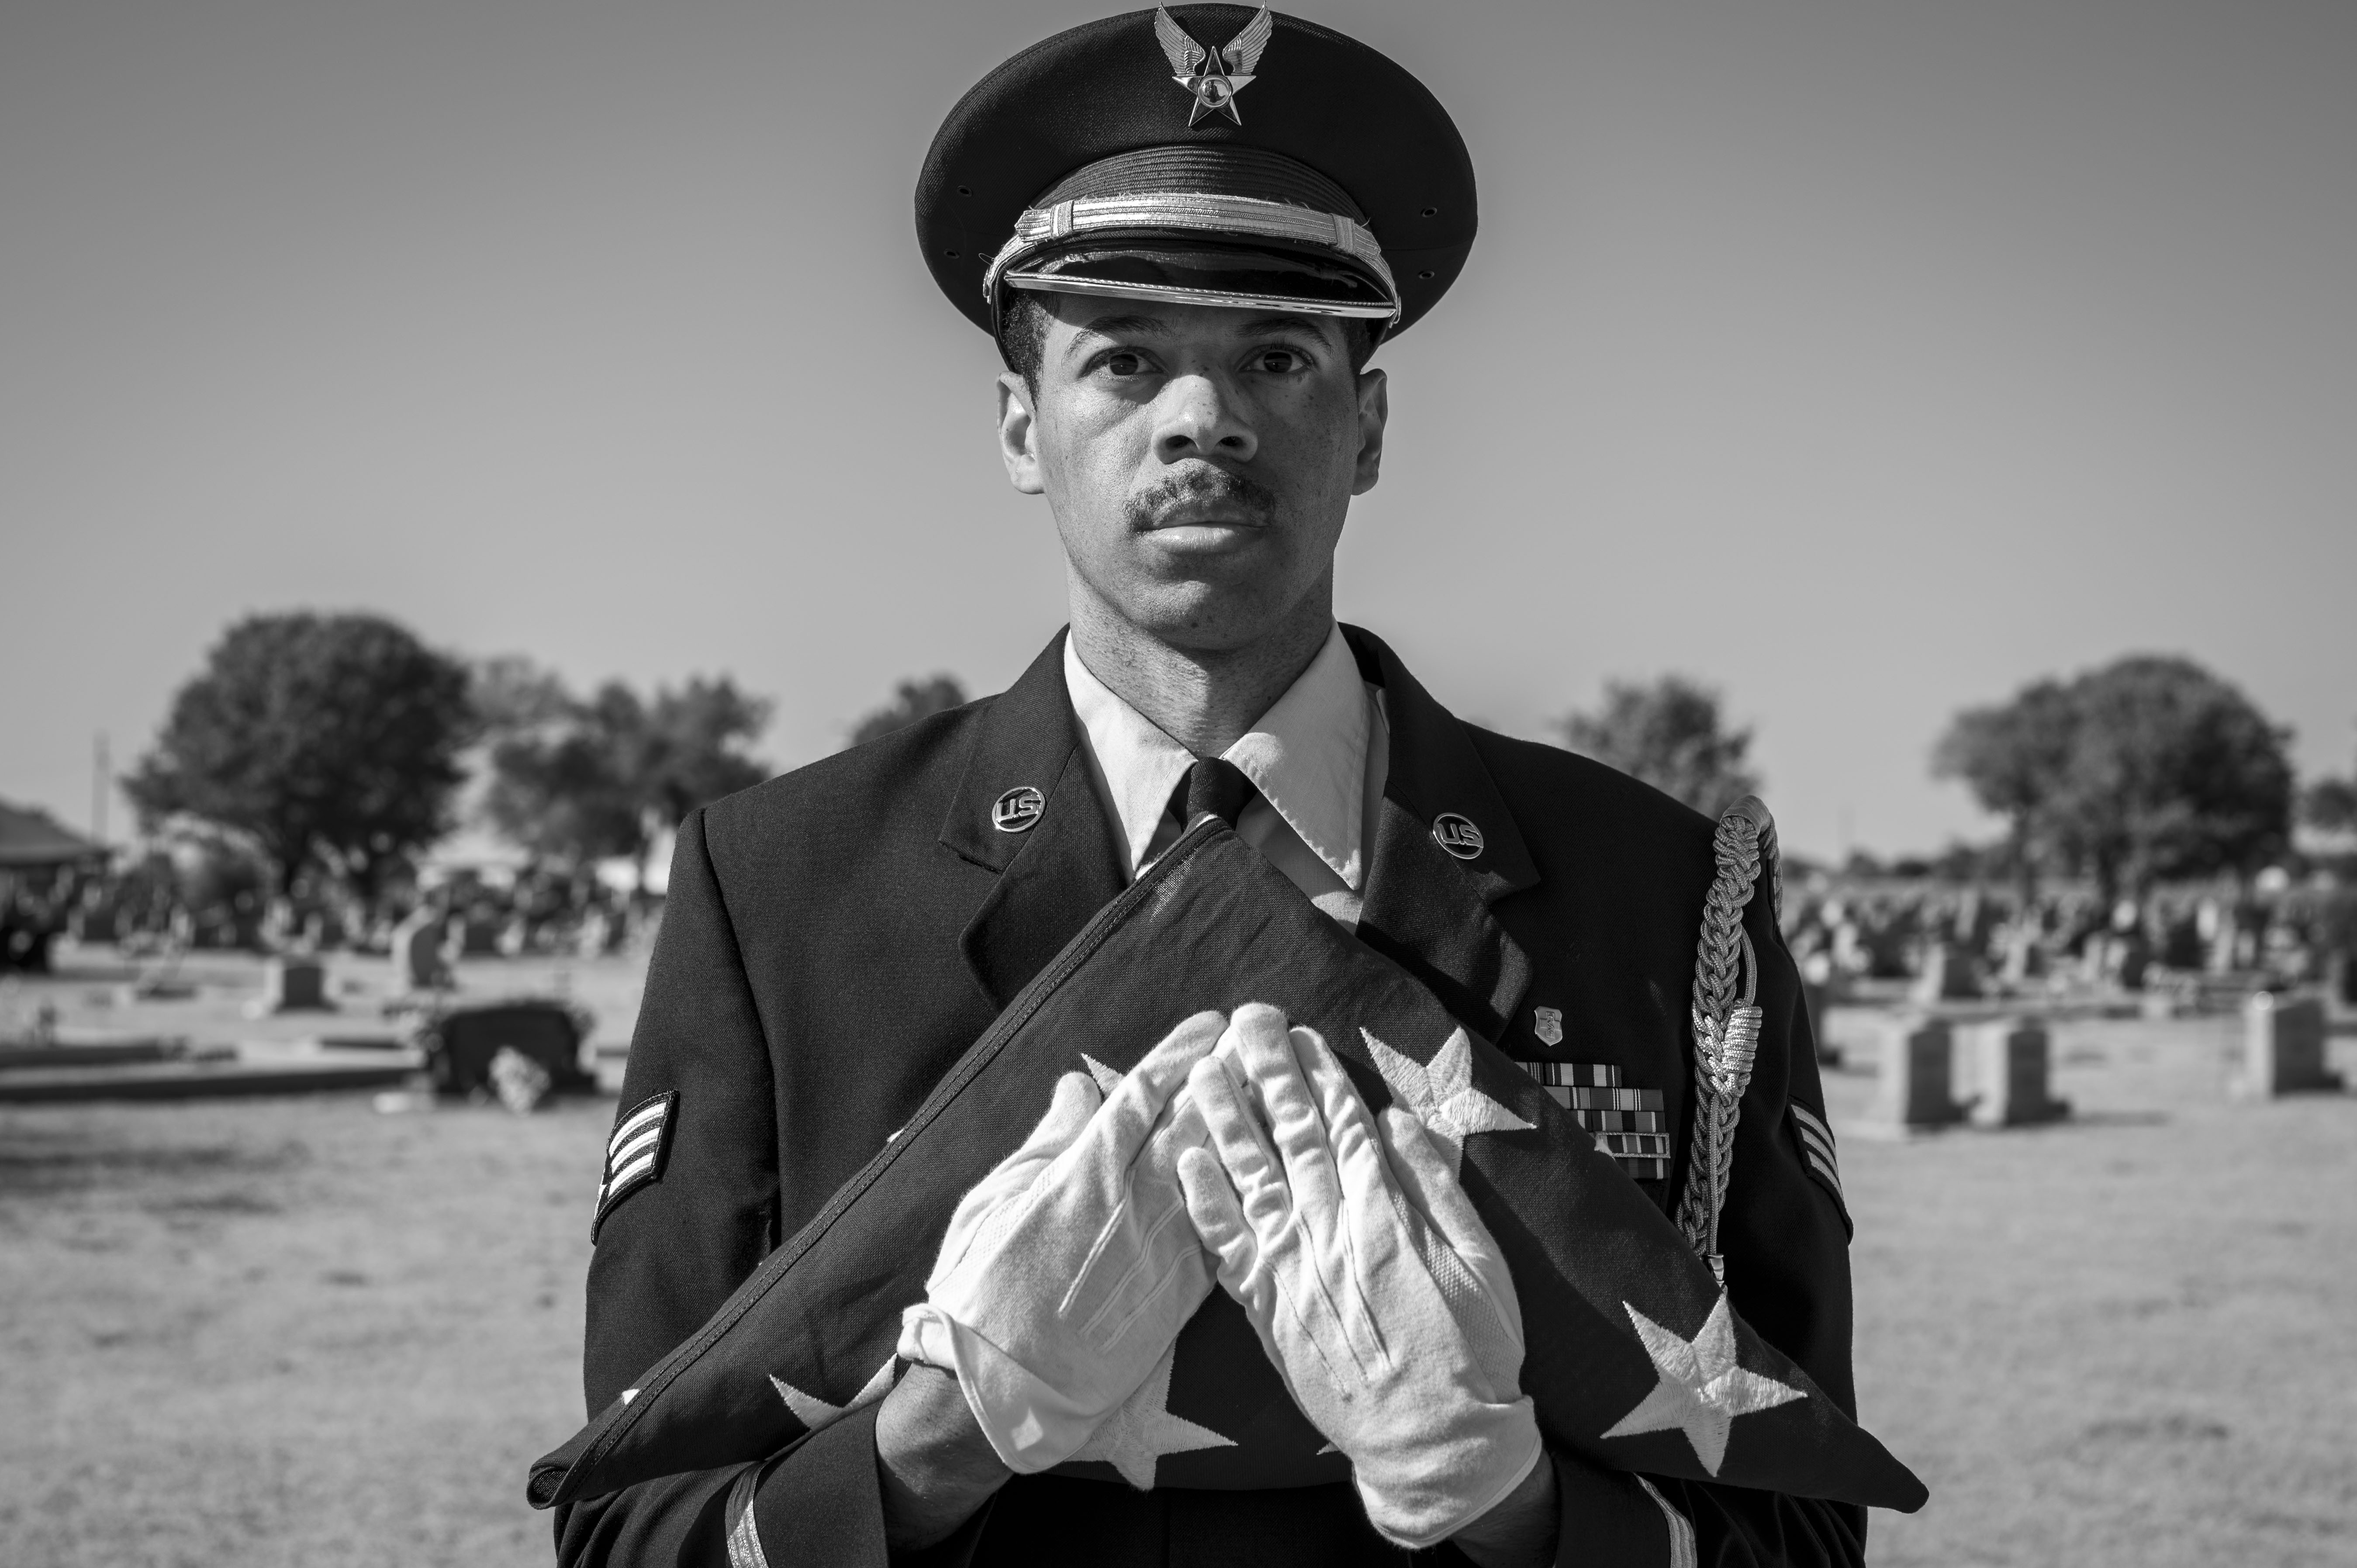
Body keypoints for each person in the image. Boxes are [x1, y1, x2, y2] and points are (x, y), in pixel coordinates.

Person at [563, 7, 1860, 1565]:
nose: (1205, 420)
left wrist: (1512, 1504)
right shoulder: (784, 887)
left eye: (1276, 356)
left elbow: (1801, 1531)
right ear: (1017, 428)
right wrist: (933, 1440)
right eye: (1122, 360)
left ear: (1366, 426)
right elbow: (630, 1529)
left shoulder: (1659, 896)